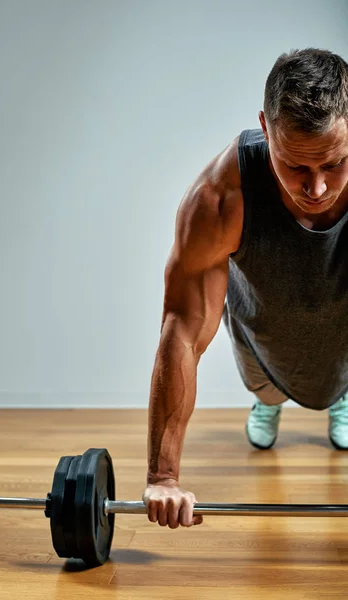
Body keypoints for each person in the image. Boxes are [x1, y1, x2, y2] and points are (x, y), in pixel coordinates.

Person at [142, 47, 348, 529]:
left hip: (343, 330)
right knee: (269, 390)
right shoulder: (220, 196)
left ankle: (339, 395)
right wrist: (163, 476)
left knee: (337, 377)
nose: (315, 189)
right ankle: (269, 403)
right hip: (262, 329)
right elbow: (184, 332)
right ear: (265, 125)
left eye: (335, 164)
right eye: (295, 166)